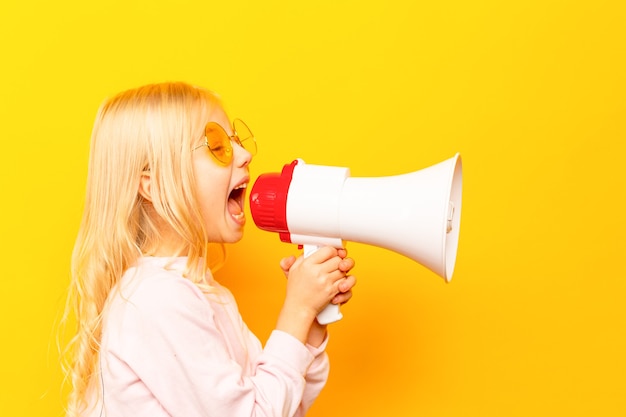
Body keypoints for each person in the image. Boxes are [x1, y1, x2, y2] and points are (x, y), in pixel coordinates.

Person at [63, 81, 357, 417]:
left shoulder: (202, 294)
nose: (245, 154)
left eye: (236, 140)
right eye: (218, 146)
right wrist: (297, 311)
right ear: (154, 185)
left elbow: (282, 405)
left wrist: (311, 321)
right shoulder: (158, 298)